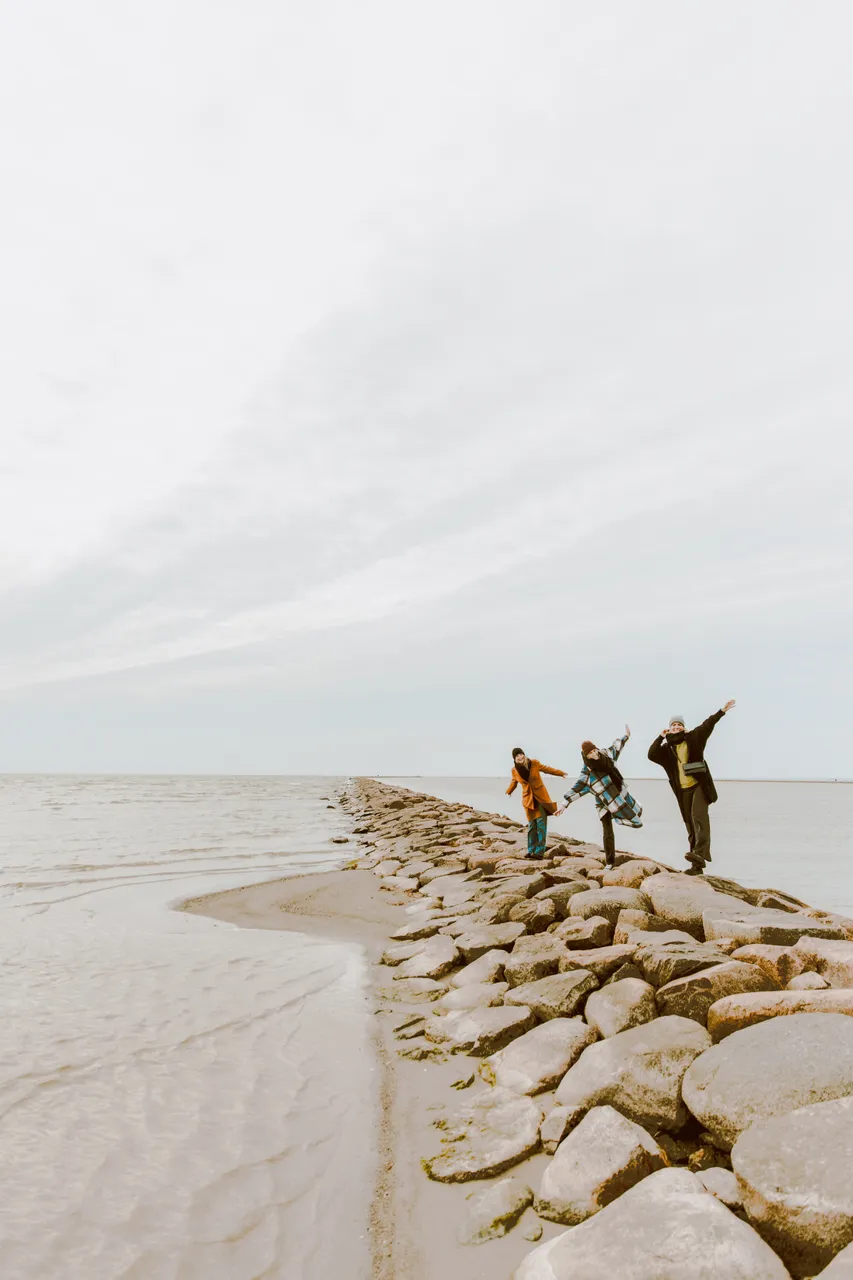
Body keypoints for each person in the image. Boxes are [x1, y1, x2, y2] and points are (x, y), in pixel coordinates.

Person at [647, 701, 736, 874]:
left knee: (699, 817)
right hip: (683, 791)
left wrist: (721, 711)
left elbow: (707, 725)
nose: (676, 727)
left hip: (699, 786)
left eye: (679, 725)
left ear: (683, 728)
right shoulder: (666, 750)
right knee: (690, 825)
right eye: (673, 725)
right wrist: (660, 737)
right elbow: (651, 754)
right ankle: (696, 866)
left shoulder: (694, 738)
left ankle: (698, 853)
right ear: (669, 729)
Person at [556, 726, 643, 866]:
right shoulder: (587, 772)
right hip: (602, 802)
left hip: (617, 794)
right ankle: (610, 862)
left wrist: (626, 736)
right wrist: (563, 804)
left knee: (634, 814)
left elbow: (616, 747)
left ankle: (624, 818)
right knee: (607, 831)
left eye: (594, 750)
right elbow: (576, 789)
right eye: (590, 753)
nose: (594, 754)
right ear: (586, 755)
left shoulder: (606, 754)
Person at [506, 749, 567, 860]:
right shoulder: (514, 770)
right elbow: (514, 782)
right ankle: (531, 851)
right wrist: (509, 791)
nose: (520, 757)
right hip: (528, 800)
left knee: (541, 825)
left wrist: (560, 773)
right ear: (514, 759)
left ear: (524, 755)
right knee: (532, 827)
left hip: (540, 798)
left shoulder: (534, 763)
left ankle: (539, 852)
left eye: (521, 754)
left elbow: (547, 769)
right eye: (517, 756)